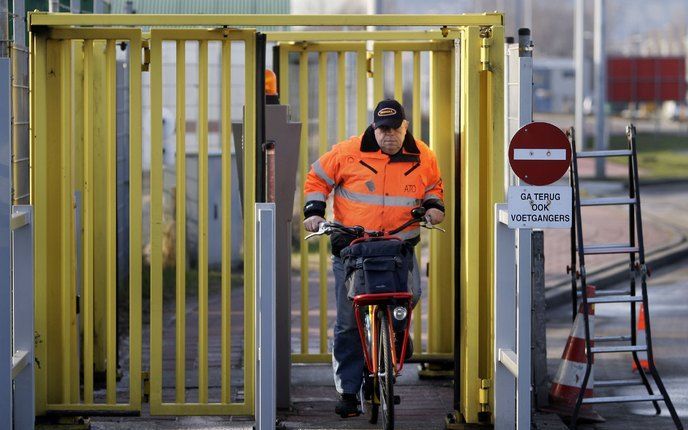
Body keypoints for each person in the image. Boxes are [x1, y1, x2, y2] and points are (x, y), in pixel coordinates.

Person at [303, 99, 445, 418]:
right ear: (373, 129)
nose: (389, 136)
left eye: (395, 129)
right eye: (382, 130)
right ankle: (350, 392)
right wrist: (314, 211)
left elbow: (433, 186)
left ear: (405, 127)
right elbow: (316, 180)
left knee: (406, 303)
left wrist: (435, 206)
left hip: (398, 250)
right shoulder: (347, 152)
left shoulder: (423, 155)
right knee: (347, 323)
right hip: (353, 252)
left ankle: (391, 346)